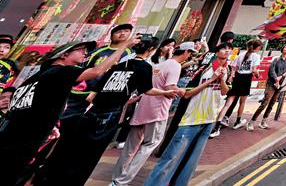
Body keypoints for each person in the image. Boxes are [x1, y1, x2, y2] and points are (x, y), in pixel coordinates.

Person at [34, 37, 180, 186]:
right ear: (151, 50)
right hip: (109, 115)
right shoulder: (144, 67)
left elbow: (92, 95)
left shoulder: (119, 65)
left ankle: (47, 179)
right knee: (89, 156)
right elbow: (147, 90)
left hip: (92, 111)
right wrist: (164, 93)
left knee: (71, 149)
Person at [0, 33, 136, 185]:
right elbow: (97, 71)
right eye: (81, 49)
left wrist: (52, 125)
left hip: (14, 135)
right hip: (23, 140)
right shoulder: (61, 71)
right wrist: (124, 46)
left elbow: (32, 104)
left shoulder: (45, 73)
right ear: (64, 54)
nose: (85, 53)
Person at [144, 44, 230, 186]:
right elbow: (187, 94)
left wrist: (221, 79)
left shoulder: (228, 69)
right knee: (172, 157)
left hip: (209, 119)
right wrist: (211, 79)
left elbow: (224, 92)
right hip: (191, 119)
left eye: (229, 49)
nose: (227, 51)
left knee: (191, 161)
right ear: (216, 53)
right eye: (224, 48)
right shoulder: (204, 69)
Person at [111, 41, 194, 185]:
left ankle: (116, 179)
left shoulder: (160, 64)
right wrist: (181, 90)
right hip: (158, 110)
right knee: (150, 144)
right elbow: (170, 88)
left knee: (130, 147)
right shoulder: (175, 66)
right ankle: (121, 181)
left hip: (143, 108)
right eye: (191, 53)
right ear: (187, 52)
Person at [212, 38, 262, 136]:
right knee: (242, 102)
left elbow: (234, 67)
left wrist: (231, 76)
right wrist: (257, 75)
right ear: (257, 48)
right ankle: (237, 121)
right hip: (246, 79)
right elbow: (254, 70)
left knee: (227, 104)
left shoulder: (241, 54)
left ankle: (217, 126)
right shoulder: (256, 56)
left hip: (237, 78)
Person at [251, 43, 286, 129]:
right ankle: (252, 121)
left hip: (280, 85)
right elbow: (271, 70)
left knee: (272, 104)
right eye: (285, 47)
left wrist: (281, 77)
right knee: (265, 103)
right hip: (271, 84)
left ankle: (263, 121)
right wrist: (276, 78)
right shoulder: (276, 59)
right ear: (282, 49)